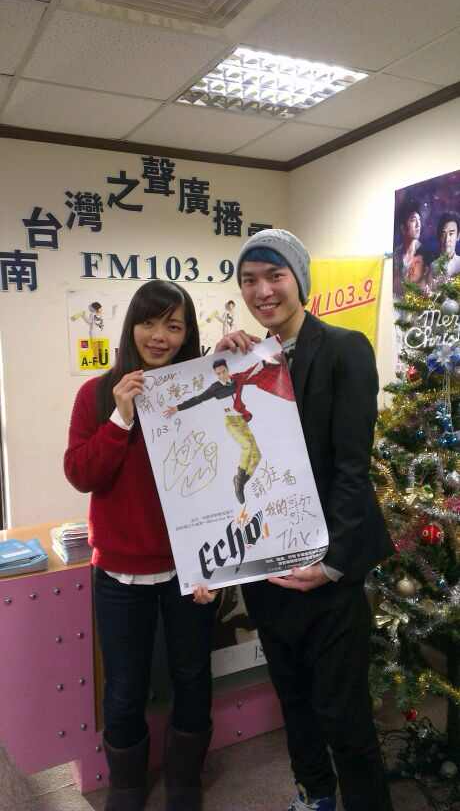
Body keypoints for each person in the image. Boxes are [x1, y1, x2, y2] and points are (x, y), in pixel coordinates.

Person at [214, 229, 395, 811]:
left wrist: (333, 563)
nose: (262, 291)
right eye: (249, 280)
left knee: (344, 713)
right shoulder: (246, 360)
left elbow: (352, 468)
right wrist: (220, 366)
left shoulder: (344, 348)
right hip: (269, 565)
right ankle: (314, 794)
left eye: (275, 276)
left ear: (300, 281)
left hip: (328, 570)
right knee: (292, 699)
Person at [64, 280, 217, 811]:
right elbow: (81, 474)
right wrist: (120, 418)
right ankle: (127, 783)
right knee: (125, 686)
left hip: (189, 569)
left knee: (192, 675)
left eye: (173, 326)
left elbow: (216, 482)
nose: (159, 336)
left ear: (186, 334)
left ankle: (184, 779)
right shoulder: (97, 394)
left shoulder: (195, 391)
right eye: (149, 322)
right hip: (119, 573)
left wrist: (216, 562)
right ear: (131, 326)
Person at [163, 354, 293, 504]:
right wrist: (178, 407)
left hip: (242, 421)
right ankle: (239, 484)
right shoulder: (215, 388)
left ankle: (239, 481)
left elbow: (254, 369)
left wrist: (269, 358)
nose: (221, 375)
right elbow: (198, 399)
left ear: (227, 370)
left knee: (257, 456)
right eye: (218, 373)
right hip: (231, 422)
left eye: (223, 372)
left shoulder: (237, 379)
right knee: (247, 446)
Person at [393, 198, 422, 297]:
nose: (418, 225)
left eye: (419, 220)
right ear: (403, 228)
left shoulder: (425, 253)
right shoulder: (396, 254)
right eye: (413, 220)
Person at [431, 211, 460, 279]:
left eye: (451, 234)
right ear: (439, 236)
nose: (447, 239)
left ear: (458, 236)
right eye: (443, 234)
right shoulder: (432, 267)